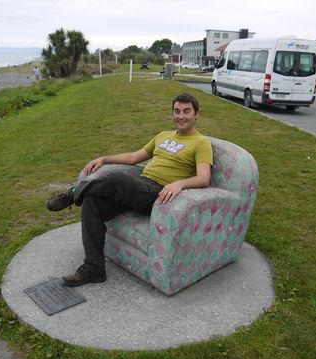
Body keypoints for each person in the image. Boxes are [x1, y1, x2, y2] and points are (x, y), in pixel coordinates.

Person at [46, 93, 213, 287]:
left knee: (117, 178)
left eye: (186, 111)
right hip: (140, 186)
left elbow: (204, 178)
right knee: (92, 203)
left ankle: (72, 194)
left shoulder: (201, 143)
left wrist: (179, 183)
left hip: (158, 195)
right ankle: (94, 270)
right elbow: (134, 157)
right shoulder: (163, 136)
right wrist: (104, 158)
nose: (181, 116)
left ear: (196, 115)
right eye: (177, 111)